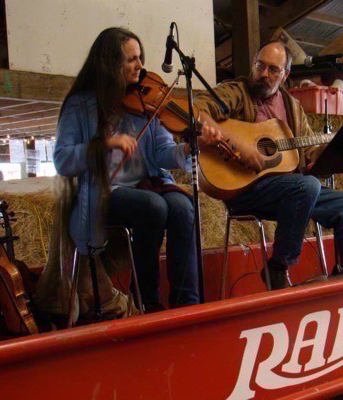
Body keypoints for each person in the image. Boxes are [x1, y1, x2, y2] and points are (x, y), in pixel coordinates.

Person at [53, 27, 221, 312]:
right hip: (106, 193)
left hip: (150, 184)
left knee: (183, 207)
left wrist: (191, 148)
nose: (140, 66)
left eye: (140, 57)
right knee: (153, 207)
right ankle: (146, 303)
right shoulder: (80, 105)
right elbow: (62, 159)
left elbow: (163, 152)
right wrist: (104, 144)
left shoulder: (146, 101)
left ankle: (186, 305)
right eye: (131, 59)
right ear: (109, 64)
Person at [195, 40, 343, 290]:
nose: (264, 74)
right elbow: (198, 110)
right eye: (260, 66)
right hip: (246, 189)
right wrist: (238, 145)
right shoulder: (236, 92)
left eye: (273, 70)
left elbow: (310, 153)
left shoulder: (293, 107)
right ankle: (278, 266)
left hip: (292, 191)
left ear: (286, 74)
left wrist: (331, 148)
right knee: (306, 187)